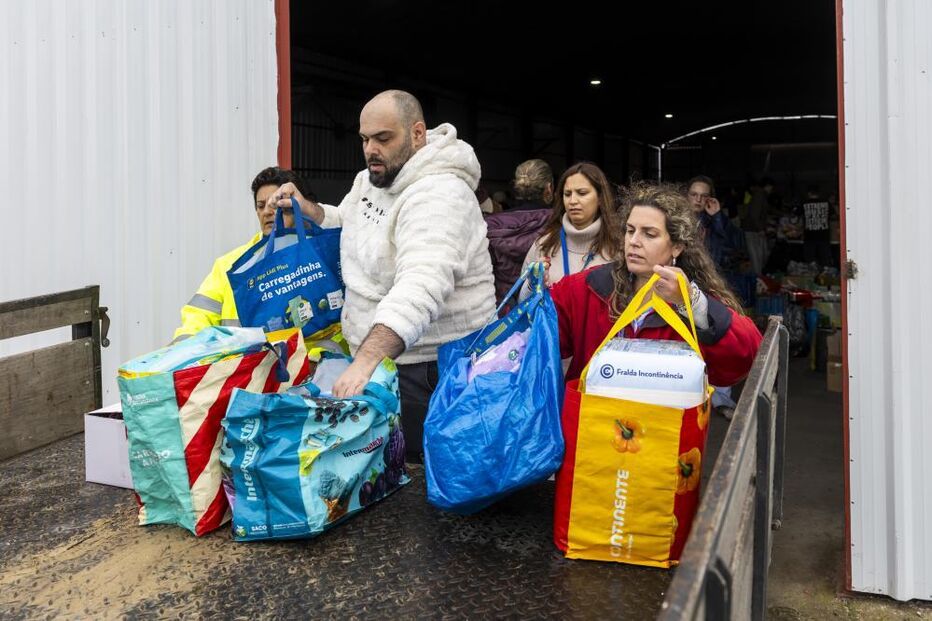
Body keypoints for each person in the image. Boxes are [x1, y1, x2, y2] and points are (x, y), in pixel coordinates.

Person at [268, 90, 496, 462]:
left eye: (383, 139)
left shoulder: (441, 195)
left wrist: (364, 362)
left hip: (427, 372)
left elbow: (420, 285)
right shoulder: (370, 180)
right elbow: (351, 222)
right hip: (381, 362)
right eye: (365, 139)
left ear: (418, 133)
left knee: (419, 485)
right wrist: (310, 212)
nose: (371, 149)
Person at [549, 182, 762, 392]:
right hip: (595, 422)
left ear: (677, 247)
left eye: (649, 234)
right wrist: (532, 293)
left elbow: (746, 357)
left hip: (661, 423)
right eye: (630, 230)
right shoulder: (587, 287)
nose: (633, 241)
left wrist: (694, 303)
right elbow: (537, 338)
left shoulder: (692, 299)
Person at [172, 167, 310, 343]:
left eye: (275, 204)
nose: (267, 211)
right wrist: (183, 354)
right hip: (243, 367)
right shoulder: (230, 265)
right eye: (261, 206)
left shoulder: (316, 259)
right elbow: (197, 318)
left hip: (311, 367)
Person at [521, 162, 623, 289]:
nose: (573, 201)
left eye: (582, 193)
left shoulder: (620, 247)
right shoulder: (543, 245)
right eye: (567, 194)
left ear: (600, 199)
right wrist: (534, 284)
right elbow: (523, 301)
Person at [483, 159, 553, 306]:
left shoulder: (491, 225)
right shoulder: (558, 223)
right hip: (546, 310)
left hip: (504, 313)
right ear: (549, 188)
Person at [686, 175, 744, 270]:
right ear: (686, 195)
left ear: (710, 198)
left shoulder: (717, 220)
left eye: (704, 196)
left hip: (710, 275)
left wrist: (717, 216)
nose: (698, 199)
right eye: (694, 194)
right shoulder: (677, 219)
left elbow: (733, 249)